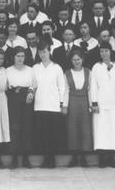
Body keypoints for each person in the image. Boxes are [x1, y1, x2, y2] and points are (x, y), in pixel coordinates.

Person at [90, 42, 115, 168]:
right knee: (101, 131)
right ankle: (102, 158)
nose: (104, 53)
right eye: (102, 51)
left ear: (111, 52)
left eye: (106, 51)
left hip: (114, 103)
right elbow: (93, 86)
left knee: (113, 130)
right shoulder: (96, 67)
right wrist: (94, 103)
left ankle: (111, 158)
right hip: (101, 103)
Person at [32, 41, 66, 169]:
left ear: (49, 51)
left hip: (53, 106)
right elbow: (33, 85)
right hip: (40, 105)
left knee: (52, 135)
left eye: (44, 52)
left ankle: (52, 159)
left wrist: (61, 103)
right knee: (43, 134)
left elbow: (61, 87)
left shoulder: (57, 67)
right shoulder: (35, 68)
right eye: (40, 52)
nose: (42, 54)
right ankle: (45, 159)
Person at [6, 47, 36, 169]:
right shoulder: (7, 70)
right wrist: (12, 91)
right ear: (13, 57)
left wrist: (30, 93)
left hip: (26, 101)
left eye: (22, 56)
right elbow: (4, 86)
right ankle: (14, 158)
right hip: (13, 100)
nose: (20, 58)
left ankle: (25, 158)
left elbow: (34, 85)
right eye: (17, 56)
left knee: (26, 128)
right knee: (14, 128)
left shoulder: (30, 70)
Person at [63, 49, 92, 168]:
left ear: (82, 60)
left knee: (85, 129)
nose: (76, 62)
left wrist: (91, 104)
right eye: (74, 60)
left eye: (78, 59)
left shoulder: (88, 72)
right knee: (73, 129)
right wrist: (65, 105)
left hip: (84, 101)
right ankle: (74, 158)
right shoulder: (67, 73)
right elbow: (65, 91)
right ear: (71, 61)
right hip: (72, 102)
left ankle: (84, 158)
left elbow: (91, 89)